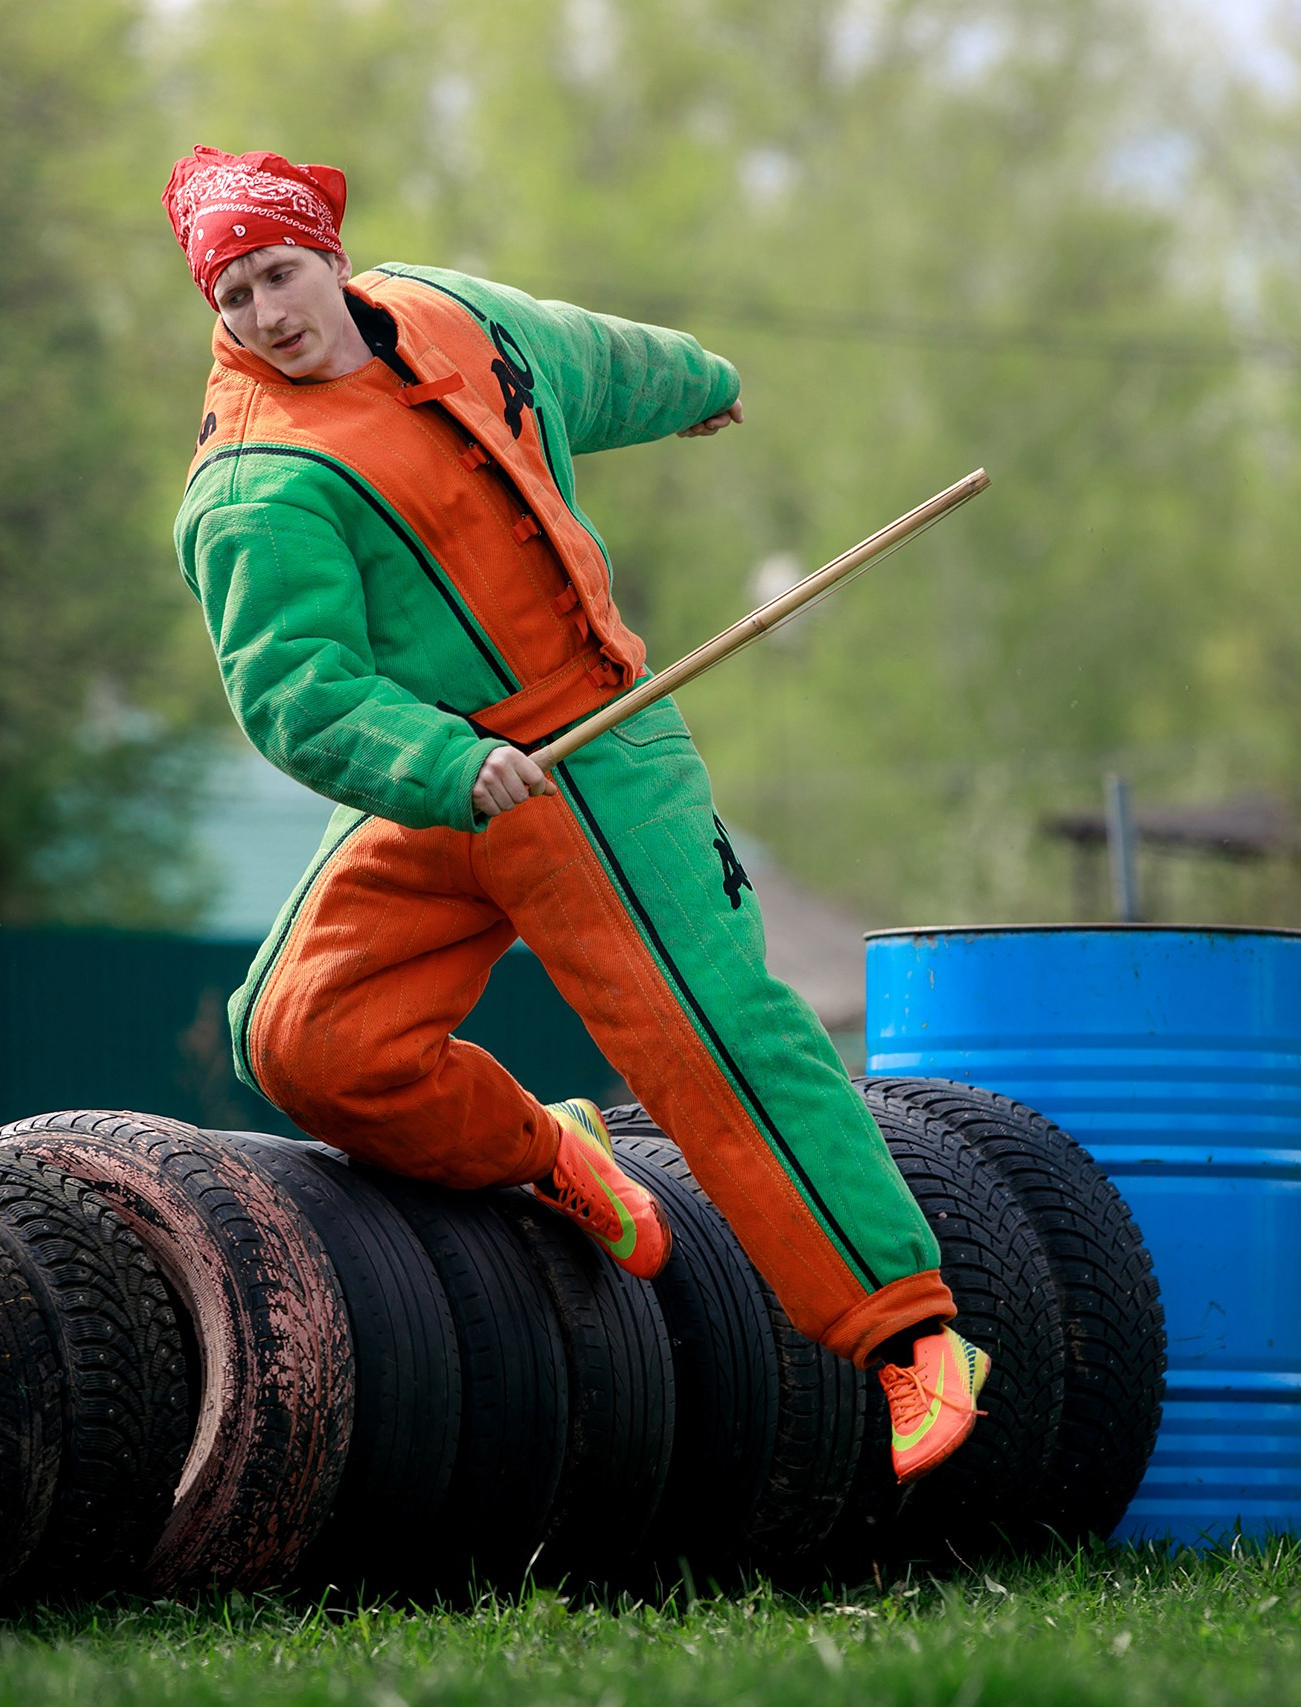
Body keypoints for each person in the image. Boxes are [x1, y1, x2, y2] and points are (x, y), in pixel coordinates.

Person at [163, 146, 987, 1483]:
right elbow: (295, 693)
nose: (267, 313)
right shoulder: (256, 490)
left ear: (331, 256)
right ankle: (550, 1151)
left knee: (711, 1035)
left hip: (598, 747)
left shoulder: (444, 312)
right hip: (439, 774)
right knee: (303, 1040)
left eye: (280, 272)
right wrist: (438, 767)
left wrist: (699, 384)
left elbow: (582, 357)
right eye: (235, 293)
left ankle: (911, 1335)